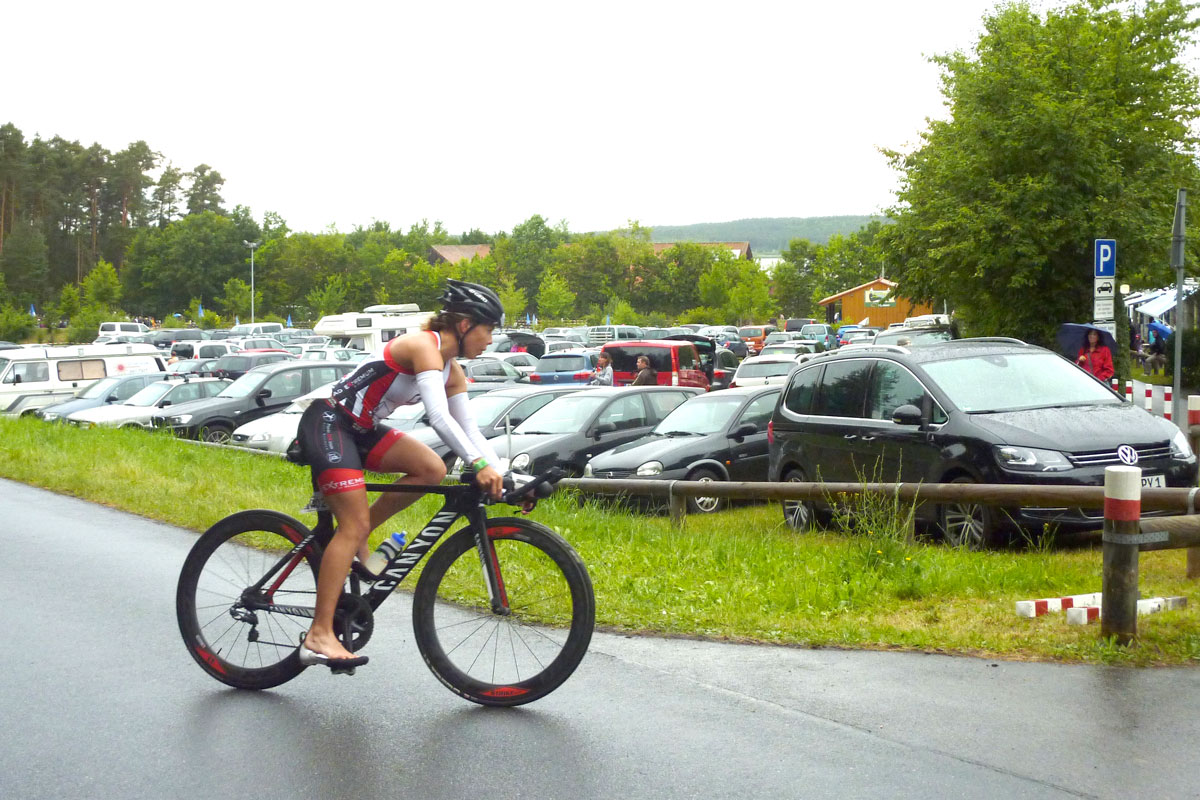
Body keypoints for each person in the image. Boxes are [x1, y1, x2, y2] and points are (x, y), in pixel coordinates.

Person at [295, 279, 505, 670]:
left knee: (432, 469)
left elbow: (472, 431)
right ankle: (318, 634)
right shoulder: (423, 345)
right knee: (352, 525)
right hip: (328, 420)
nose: (491, 339)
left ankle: (357, 539)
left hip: (360, 429)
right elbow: (439, 417)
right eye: (489, 329)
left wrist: (503, 474)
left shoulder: (453, 371)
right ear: (464, 324)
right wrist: (478, 466)